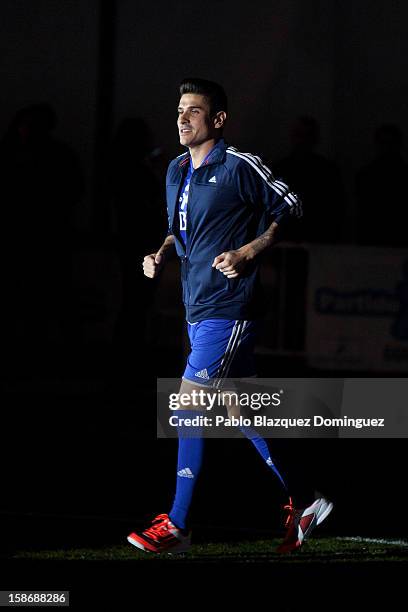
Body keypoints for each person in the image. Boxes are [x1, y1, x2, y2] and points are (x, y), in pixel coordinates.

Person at [127, 78, 333, 555]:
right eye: (179, 110)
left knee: (186, 405)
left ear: (217, 119)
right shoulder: (177, 170)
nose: (182, 118)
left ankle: (178, 525)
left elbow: (292, 206)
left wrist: (250, 249)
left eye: (193, 111)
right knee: (242, 410)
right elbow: (180, 234)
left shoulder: (239, 164)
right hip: (196, 307)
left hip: (230, 307)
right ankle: (305, 499)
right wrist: (158, 254)